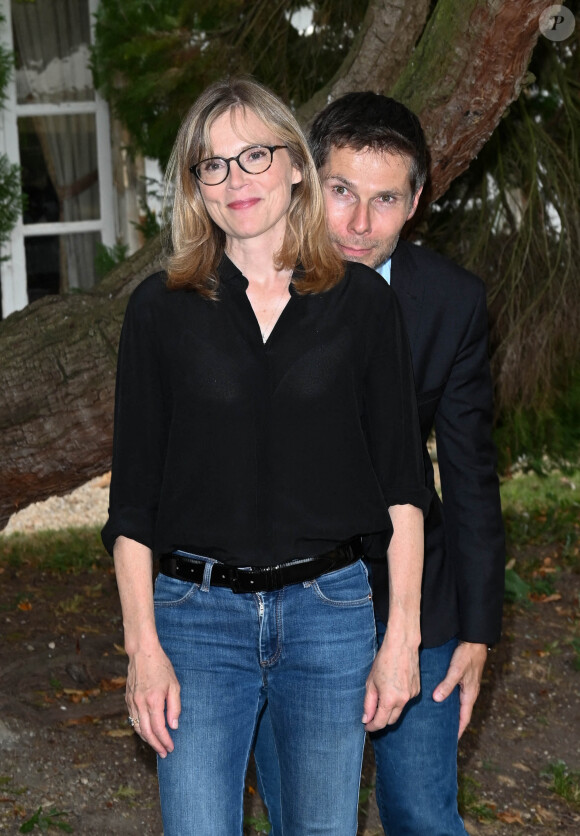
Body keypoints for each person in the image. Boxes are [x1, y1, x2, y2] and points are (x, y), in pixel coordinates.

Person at [101, 78, 431, 836]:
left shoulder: (364, 306)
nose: (236, 179)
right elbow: (133, 509)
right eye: (212, 165)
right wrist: (142, 649)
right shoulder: (159, 310)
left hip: (330, 617)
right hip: (195, 622)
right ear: (196, 188)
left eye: (255, 155)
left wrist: (402, 638)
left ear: (294, 166)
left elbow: (403, 490)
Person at [253, 93, 505, 835]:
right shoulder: (246, 288)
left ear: (416, 200)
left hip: (416, 603)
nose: (360, 224)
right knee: (305, 818)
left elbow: (468, 476)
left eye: (385, 199)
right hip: (285, 599)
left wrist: (477, 632)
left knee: (422, 814)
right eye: (342, 193)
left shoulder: (451, 303)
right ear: (304, 181)